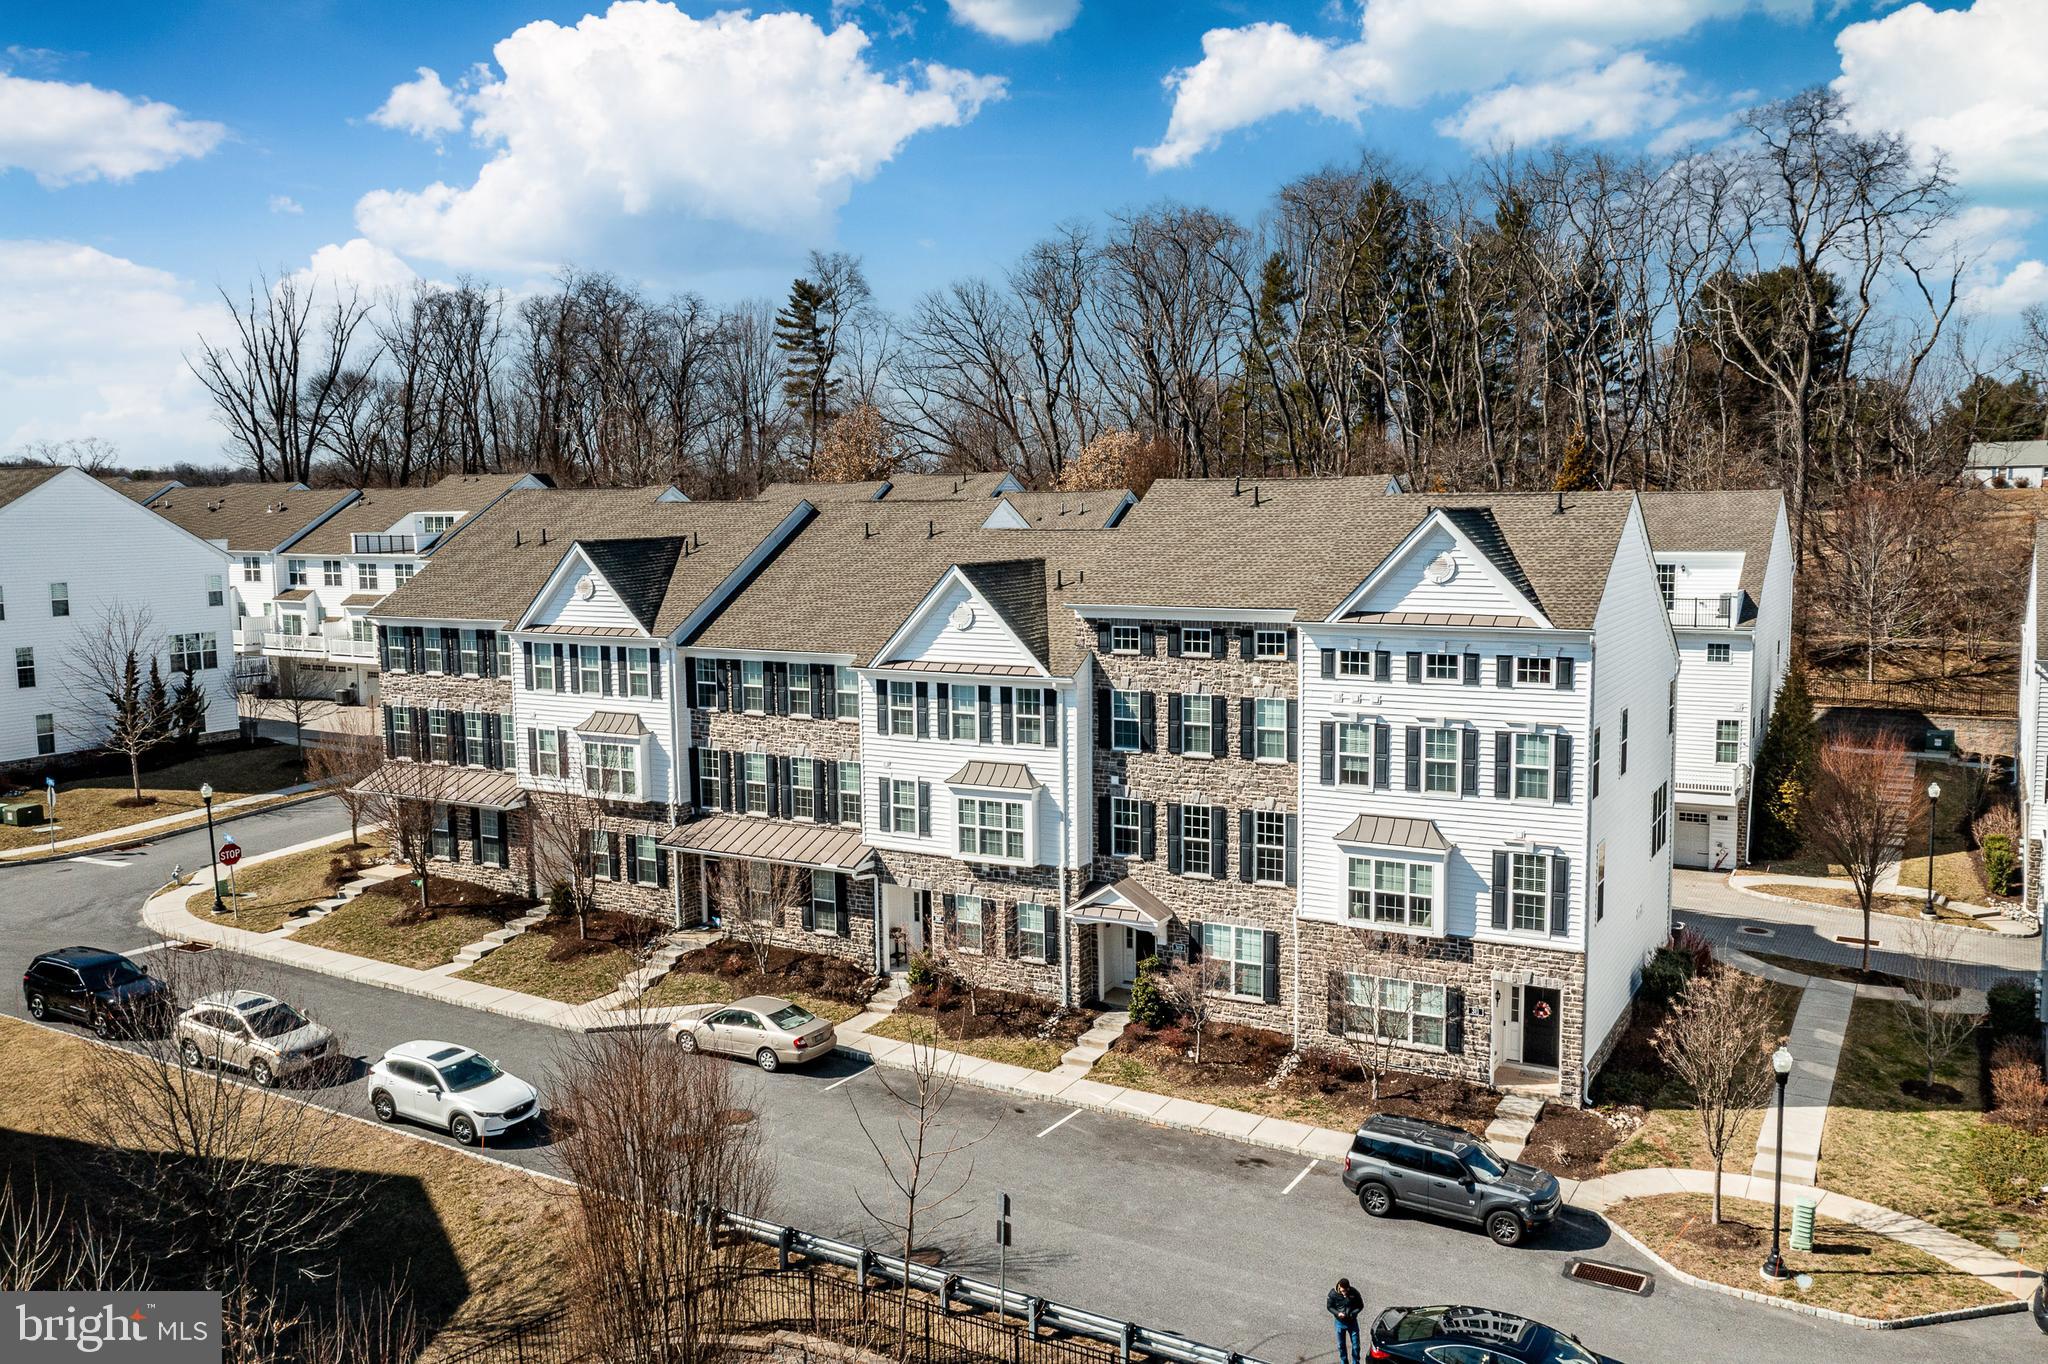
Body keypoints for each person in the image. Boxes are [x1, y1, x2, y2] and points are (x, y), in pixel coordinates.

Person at [1326, 1277, 1363, 1364]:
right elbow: (1329, 1306)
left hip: (1352, 1322)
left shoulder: (1354, 1292)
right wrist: (1337, 1313)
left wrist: (1353, 1313)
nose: (1344, 1293)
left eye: (1346, 1291)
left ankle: (1356, 1362)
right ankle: (1344, 1361)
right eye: (1343, 1291)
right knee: (1341, 1345)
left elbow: (1360, 1305)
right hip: (1339, 1323)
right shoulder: (1333, 1294)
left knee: (1356, 1346)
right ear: (1339, 1287)